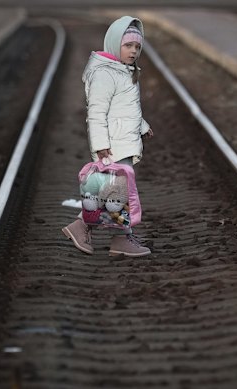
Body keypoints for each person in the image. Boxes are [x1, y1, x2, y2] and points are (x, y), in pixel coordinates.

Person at [62, 15, 154, 257]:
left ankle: (91, 229)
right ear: (114, 44)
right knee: (117, 192)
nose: (133, 51)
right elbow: (96, 113)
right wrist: (101, 145)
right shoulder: (105, 73)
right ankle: (119, 239)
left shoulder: (123, 70)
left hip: (122, 139)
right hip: (113, 144)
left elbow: (126, 108)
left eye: (137, 47)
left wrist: (142, 126)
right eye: (128, 46)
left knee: (112, 191)